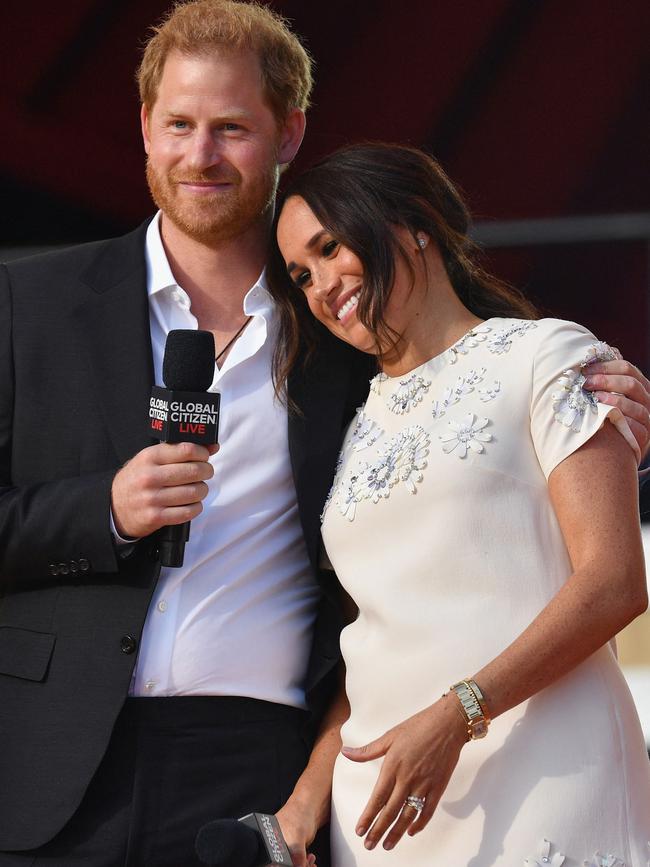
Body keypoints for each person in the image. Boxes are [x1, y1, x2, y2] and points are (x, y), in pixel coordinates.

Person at [0, 3, 647, 865]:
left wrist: (602, 402)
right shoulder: (28, 302)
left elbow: (480, 398)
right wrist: (104, 510)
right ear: (145, 129)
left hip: (261, 771)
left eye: (231, 128)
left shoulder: (348, 338)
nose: (200, 155)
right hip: (52, 768)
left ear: (288, 132)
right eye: (180, 124)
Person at [269, 142, 650, 865]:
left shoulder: (547, 355)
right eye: (300, 275)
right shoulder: (349, 427)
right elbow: (373, 639)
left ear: (415, 224)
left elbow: (614, 583)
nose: (319, 285)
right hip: (383, 815)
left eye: (330, 247)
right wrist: (312, 792)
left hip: (544, 776)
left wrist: (455, 716)